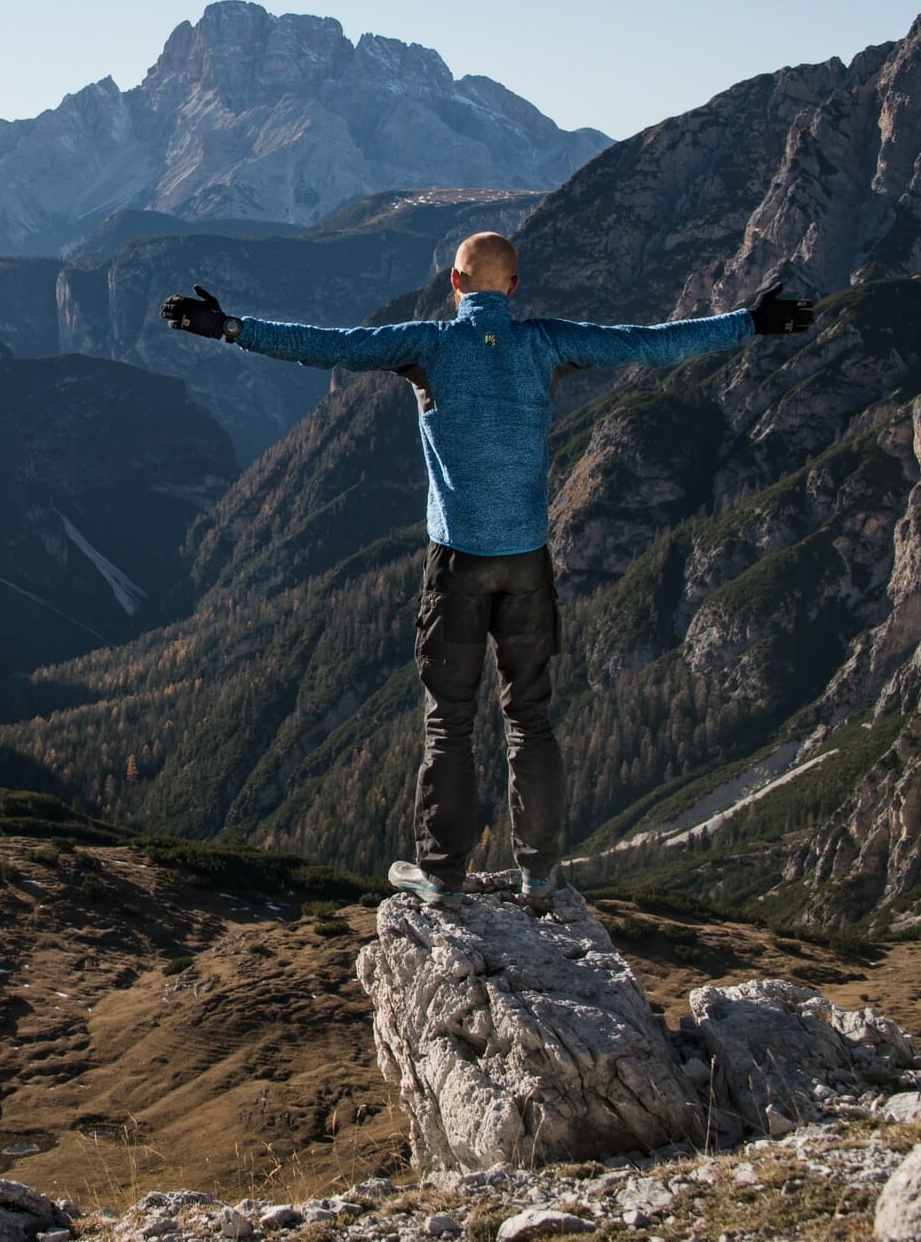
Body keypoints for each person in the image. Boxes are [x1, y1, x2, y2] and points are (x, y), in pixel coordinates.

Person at [159, 232, 812, 912]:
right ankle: (538, 876)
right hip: (527, 562)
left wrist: (229, 327)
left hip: (458, 563)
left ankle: (441, 876)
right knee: (530, 719)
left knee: (451, 722)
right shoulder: (546, 344)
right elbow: (650, 342)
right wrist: (751, 323)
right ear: (514, 287)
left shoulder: (431, 346)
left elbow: (330, 344)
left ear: (456, 283)